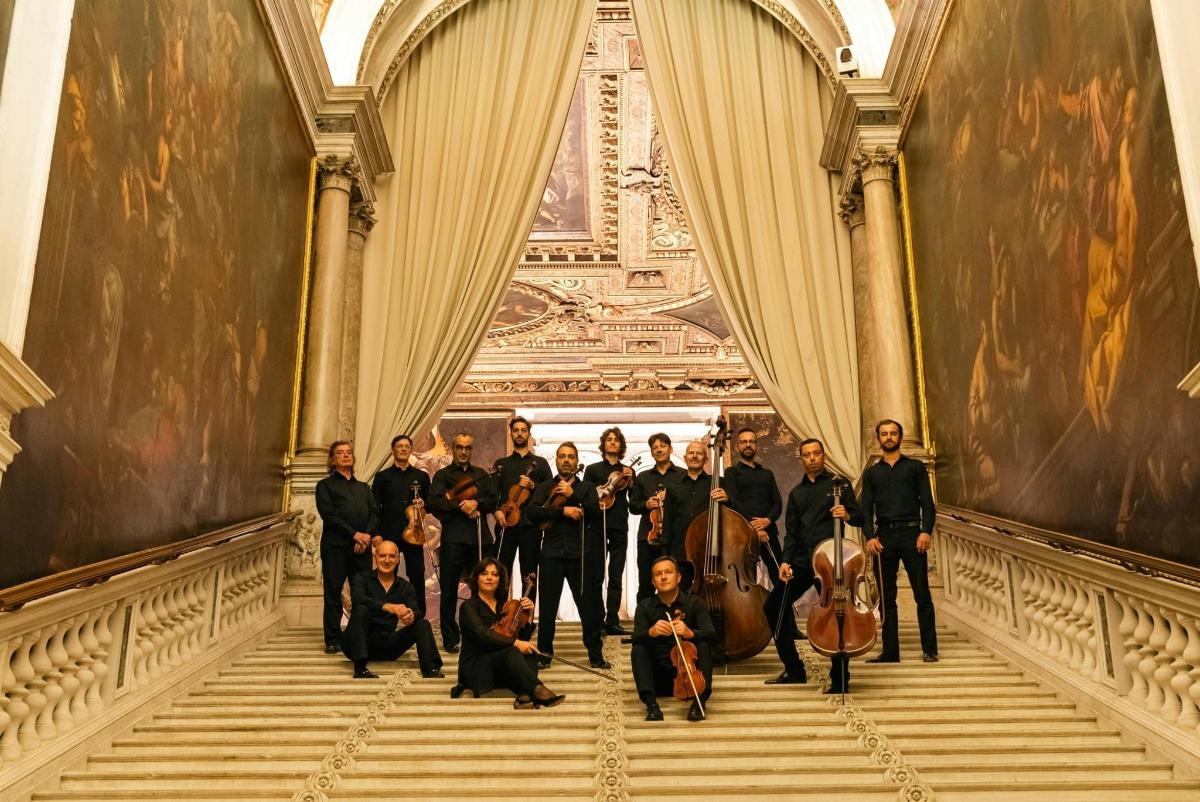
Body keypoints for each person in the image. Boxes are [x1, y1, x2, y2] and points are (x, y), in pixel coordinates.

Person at [778, 438, 864, 693]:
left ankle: (840, 678)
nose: (812, 458)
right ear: (801, 458)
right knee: (774, 608)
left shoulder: (839, 486)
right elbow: (791, 532)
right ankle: (794, 669)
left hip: (832, 562)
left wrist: (847, 515)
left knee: (838, 615)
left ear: (823, 456)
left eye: (817, 453)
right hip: (804, 562)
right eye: (807, 454)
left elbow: (859, 517)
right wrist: (785, 561)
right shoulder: (797, 493)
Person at [861, 419, 939, 663]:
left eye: (893, 433)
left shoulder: (915, 467)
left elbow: (927, 502)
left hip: (912, 534)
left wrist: (925, 531)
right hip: (884, 537)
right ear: (879, 438)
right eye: (884, 434)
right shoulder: (872, 473)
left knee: (922, 593)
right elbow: (865, 509)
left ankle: (930, 649)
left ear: (900, 437)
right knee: (886, 597)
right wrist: (870, 537)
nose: (889, 437)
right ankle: (890, 651)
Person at [722, 428, 795, 685]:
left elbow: (777, 502)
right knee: (748, 581)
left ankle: (789, 625)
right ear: (737, 446)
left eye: (752, 441)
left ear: (756, 445)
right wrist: (754, 525)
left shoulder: (766, 474)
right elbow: (732, 501)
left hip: (767, 531)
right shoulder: (731, 473)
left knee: (781, 578)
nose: (748, 445)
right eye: (743, 442)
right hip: (743, 532)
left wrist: (767, 520)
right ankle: (750, 628)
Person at [527, 442, 610, 670]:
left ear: (576, 460)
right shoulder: (544, 487)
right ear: (556, 460)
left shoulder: (587, 488)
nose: (566, 460)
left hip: (580, 553)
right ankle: (544, 653)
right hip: (551, 553)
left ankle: (595, 654)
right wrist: (561, 510)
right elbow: (532, 513)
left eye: (570, 456)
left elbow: (594, 513)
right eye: (562, 456)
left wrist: (574, 497)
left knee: (588, 606)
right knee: (548, 607)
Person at [452, 558, 565, 708]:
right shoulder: (468, 607)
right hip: (476, 667)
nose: (490, 578)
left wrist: (529, 615)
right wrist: (515, 643)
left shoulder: (504, 606)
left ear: (500, 580)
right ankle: (537, 690)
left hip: (501, 666)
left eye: (495, 574)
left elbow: (520, 638)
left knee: (529, 652)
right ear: (476, 578)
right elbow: (482, 633)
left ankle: (524, 696)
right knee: (512, 650)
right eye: (484, 574)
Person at [429, 433, 498, 654]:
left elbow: (492, 499)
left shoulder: (480, 475)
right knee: (448, 589)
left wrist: (477, 502)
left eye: (468, 448)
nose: (463, 451)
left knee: (483, 590)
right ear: (453, 448)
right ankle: (450, 637)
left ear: (472, 450)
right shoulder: (442, 475)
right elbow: (433, 502)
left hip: (480, 538)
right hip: (454, 539)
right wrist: (461, 505)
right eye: (460, 447)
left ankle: (483, 633)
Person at [631, 555, 715, 722]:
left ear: (678, 577)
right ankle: (652, 706)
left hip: (690, 676)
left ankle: (699, 703)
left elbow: (711, 634)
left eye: (668, 572)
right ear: (653, 582)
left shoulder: (695, 603)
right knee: (638, 650)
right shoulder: (644, 607)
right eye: (658, 574)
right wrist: (651, 632)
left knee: (704, 645)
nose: (663, 577)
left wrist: (691, 633)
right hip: (660, 678)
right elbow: (636, 638)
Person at [343, 540, 443, 679]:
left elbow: (416, 610)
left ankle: (430, 668)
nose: (387, 560)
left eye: (391, 556)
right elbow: (358, 599)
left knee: (422, 623)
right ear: (375, 557)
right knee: (361, 609)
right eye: (382, 556)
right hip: (355, 645)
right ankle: (360, 669)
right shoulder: (362, 578)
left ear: (397, 560)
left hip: (387, 645)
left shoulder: (405, 587)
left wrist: (410, 615)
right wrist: (388, 606)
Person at [315, 441, 378, 654]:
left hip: (362, 548)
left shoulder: (363, 487)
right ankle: (333, 639)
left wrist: (366, 537)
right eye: (340, 453)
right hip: (336, 547)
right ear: (333, 460)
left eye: (349, 452)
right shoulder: (325, 485)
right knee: (333, 591)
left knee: (364, 593)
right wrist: (354, 535)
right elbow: (329, 515)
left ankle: (360, 635)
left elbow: (374, 513)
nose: (345, 456)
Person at [491, 417, 552, 600]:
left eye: (523, 430)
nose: (519, 433)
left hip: (530, 525)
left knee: (530, 572)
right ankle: (500, 615)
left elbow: (550, 493)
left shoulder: (540, 463)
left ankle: (525, 620)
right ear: (511, 434)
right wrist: (497, 511)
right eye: (516, 430)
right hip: (506, 524)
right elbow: (493, 492)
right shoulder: (501, 463)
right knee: (501, 571)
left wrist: (534, 486)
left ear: (528, 434)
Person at [372, 434, 432, 616]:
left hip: (414, 533)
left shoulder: (421, 476)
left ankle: (418, 616)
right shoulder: (382, 477)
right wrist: (376, 533)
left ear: (411, 450)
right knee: (387, 575)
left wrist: (424, 504)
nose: (404, 448)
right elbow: (375, 507)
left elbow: (430, 503)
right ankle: (385, 617)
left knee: (417, 574)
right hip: (389, 533)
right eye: (400, 446)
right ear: (393, 450)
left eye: (407, 446)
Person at [583, 427, 635, 635]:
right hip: (597, 525)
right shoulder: (593, 469)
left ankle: (612, 620)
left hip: (619, 525)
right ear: (603, 444)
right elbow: (587, 496)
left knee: (615, 574)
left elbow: (635, 497)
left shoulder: (628, 471)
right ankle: (596, 619)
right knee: (596, 575)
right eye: (609, 439)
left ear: (621, 445)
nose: (613, 442)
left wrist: (632, 480)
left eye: (616, 440)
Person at [629, 433, 685, 603]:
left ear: (670, 449)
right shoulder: (643, 477)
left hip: (674, 537)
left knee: (676, 582)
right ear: (652, 452)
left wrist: (670, 499)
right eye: (655, 447)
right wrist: (646, 504)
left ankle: (675, 622)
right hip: (648, 537)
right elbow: (632, 506)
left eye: (663, 446)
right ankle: (643, 626)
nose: (659, 449)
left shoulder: (683, 475)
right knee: (645, 583)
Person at [662, 440, 726, 592]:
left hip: (709, 552)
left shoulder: (718, 483)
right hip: (680, 551)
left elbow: (733, 514)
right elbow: (668, 522)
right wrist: (665, 554)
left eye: (699, 453)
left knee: (709, 597)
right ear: (685, 458)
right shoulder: (673, 487)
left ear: (706, 459)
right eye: (691, 453)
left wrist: (728, 500)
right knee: (679, 596)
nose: (695, 456)